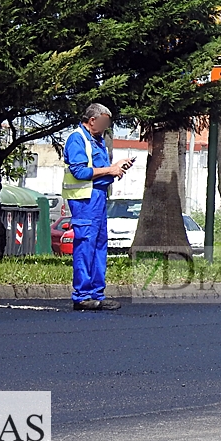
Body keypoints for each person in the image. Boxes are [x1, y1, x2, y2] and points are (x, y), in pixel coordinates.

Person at [63, 103, 131, 311]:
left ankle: (95, 294)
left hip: (97, 197)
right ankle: (82, 295)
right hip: (85, 199)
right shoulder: (78, 138)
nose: (106, 126)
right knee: (86, 245)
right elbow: (80, 172)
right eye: (104, 121)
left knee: (99, 245)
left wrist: (115, 168)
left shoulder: (97, 139)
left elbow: (98, 169)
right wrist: (110, 170)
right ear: (93, 120)